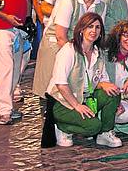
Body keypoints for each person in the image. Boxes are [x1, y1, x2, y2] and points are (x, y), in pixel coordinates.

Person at [47, 12, 122, 148]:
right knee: (93, 127)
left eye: (97, 27)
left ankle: (105, 134)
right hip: (64, 103)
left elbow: (102, 80)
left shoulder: (97, 52)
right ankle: (63, 127)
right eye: (90, 27)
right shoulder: (69, 50)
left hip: (86, 98)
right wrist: (77, 106)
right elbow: (61, 84)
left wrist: (113, 94)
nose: (94, 31)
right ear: (82, 29)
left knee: (113, 92)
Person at [32, 0, 107, 99]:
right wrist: (76, 58)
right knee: (51, 89)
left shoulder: (101, 5)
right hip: (56, 44)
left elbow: (95, 32)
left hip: (78, 47)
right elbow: (61, 35)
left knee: (75, 87)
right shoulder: (69, 0)